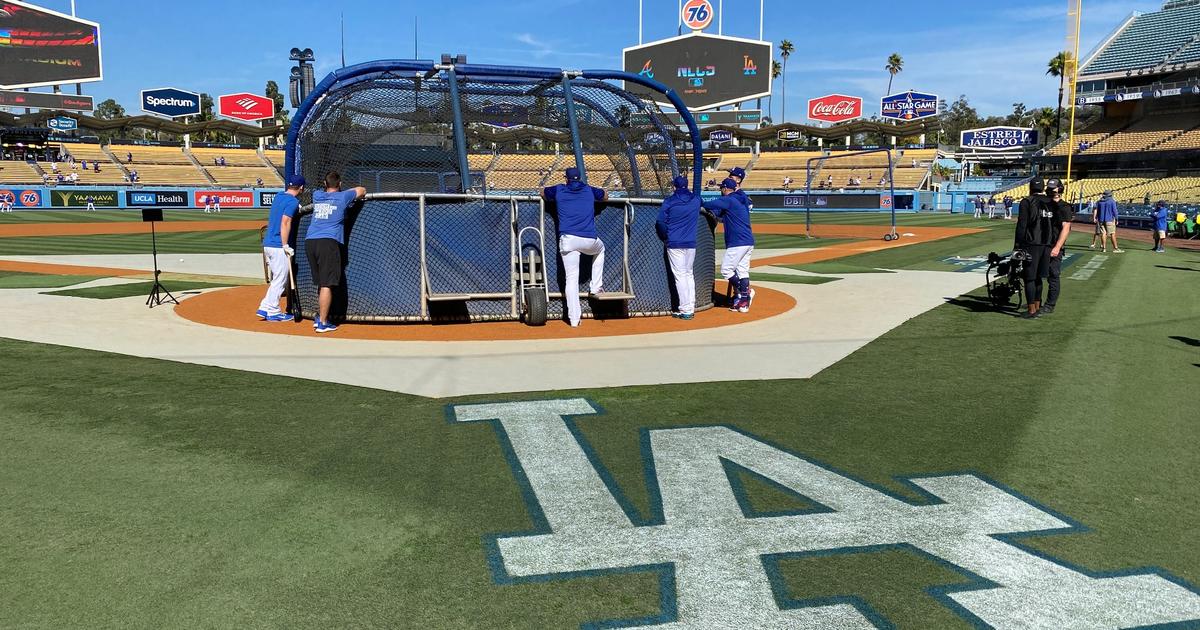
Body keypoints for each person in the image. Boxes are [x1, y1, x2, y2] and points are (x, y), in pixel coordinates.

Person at [540, 167, 608, 328]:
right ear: (580, 178)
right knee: (601, 249)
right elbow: (605, 196)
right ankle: (596, 286)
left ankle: (574, 320)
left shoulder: (559, 189)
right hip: (589, 240)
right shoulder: (589, 190)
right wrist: (602, 190)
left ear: (566, 179)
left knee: (571, 279)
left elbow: (542, 192)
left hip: (568, 239)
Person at [307, 172, 367, 332]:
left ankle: (321, 316)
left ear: (325, 184)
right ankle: (323, 322)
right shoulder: (343, 197)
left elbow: (326, 191)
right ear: (339, 184)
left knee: (322, 282)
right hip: (328, 242)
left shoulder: (317, 195)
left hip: (310, 241)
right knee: (327, 284)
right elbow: (362, 190)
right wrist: (345, 191)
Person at [257, 175, 305, 321]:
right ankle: (273, 311)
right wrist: (285, 245)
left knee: (277, 278)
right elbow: (285, 222)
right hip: (278, 245)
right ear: (301, 188)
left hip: (268, 244)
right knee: (281, 279)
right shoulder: (293, 202)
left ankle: (265, 307)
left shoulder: (279, 196)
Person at [703, 178, 755, 312]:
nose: (721, 190)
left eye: (721, 188)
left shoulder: (729, 200)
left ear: (725, 189)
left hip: (737, 242)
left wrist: (697, 201)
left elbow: (708, 205)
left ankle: (745, 293)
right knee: (742, 271)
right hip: (748, 241)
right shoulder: (738, 201)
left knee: (726, 270)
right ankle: (744, 302)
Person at [655, 175, 701, 320]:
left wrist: (665, 237)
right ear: (686, 186)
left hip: (674, 243)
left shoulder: (670, 201)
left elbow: (660, 222)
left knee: (680, 276)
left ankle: (685, 309)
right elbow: (703, 204)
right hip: (691, 243)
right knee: (688, 274)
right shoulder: (695, 200)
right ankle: (690, 306)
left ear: (674, 187)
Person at [1014, 179, 1055, 319]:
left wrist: (1017, 246)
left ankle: (1031, 310)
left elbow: (1022, 225)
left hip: (1031, 243)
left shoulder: (1027, 202)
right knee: (1039, 277)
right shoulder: (1051, 202)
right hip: (1047, 244)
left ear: (1030, 188)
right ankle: (1037, 306)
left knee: (1029, 277)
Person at [1041, 179, 1073, 315]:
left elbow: (1066, 228)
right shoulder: (1043, 204)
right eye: (1049, 188)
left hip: (1053, 245)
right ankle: (1036, 300)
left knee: (1053, 275)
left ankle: (1050, 304)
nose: (1050, 191)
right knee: (1037, 274)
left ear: (1059, 189)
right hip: (1040, 244)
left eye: (1053, 189)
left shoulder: (1064, 207)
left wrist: (1057, 247)